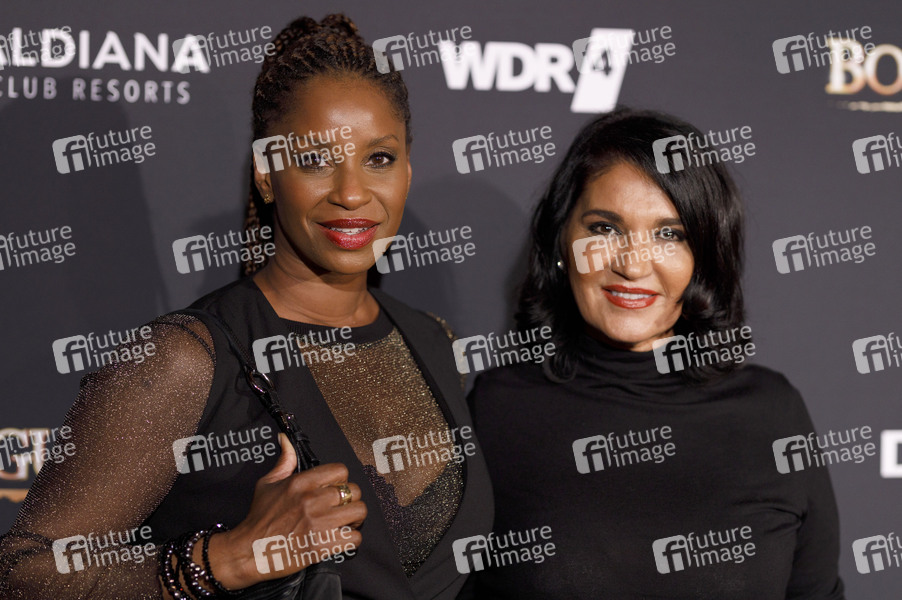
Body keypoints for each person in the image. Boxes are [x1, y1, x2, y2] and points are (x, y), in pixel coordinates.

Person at [0, 14, 492, 599]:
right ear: (265, 172)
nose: (352, 192)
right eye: (314, 159)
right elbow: (23, 573)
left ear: (408, 169)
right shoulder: (182, 359)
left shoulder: (434, 341)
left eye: (379, 158)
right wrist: (230, 557)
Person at [468, 108, 844, 599]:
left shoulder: (774, 413)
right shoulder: (499, 410)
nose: (632, 265)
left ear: (704, 257)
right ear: (562, 240)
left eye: (669, 234)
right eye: (605, 228)